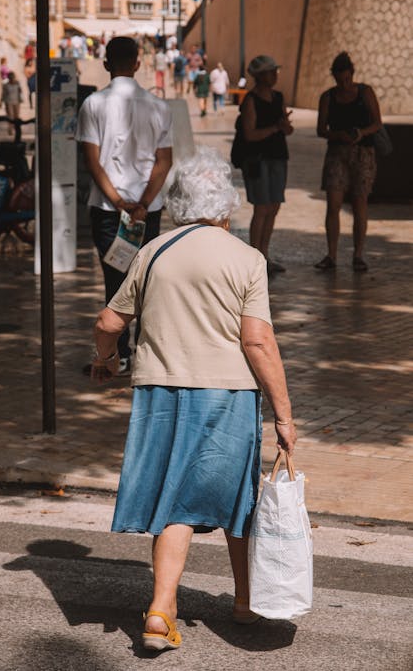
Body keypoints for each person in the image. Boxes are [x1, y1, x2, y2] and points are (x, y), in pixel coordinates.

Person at [92, 146, 296, 652]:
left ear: (181, 202)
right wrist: (285, 417)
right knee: (234, 497)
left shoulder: (154, 251)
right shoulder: (248, 259)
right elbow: (258, 342)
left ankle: (171, 606)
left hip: (159, 393)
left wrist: (107, 360)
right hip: (225, 395)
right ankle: (213, 605)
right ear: (227, 204)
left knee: (174, 496)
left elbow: (108, 323)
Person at [76, 36, 173, 375]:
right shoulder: (159, 107)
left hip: (107, 208)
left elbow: (92, 161)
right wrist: (143, 203)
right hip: (148, 210)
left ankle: (119, 353)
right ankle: (146, 353)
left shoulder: (93, 105)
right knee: (148, 280)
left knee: (115, 280)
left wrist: (119, 201)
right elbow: (164, 161)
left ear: (105, 63)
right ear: (137, 63)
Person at [315, 52, 382, 272]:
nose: (344, 83)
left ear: (352, 74)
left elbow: (377, 123)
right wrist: (338, 135)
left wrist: (361, 133)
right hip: (337, 153)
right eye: (340, 79)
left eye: (347, 79)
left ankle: (358, 254)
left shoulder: (365, 93)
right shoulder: (328, 97)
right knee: (333, 204)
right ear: (334, 76)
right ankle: (331, 254)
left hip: (363, 153)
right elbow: (321, 129)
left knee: (359, 203)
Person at [240, 55, 293, 276]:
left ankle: (264, 254)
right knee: (261, 208)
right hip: (258, 160)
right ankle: (254, 257)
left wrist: (284, 126)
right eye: (271, 72)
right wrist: (274, 128)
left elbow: (287, 129)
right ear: (261, 76)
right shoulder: (251, 100)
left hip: (278, 157)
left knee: (273, 207)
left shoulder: (278, 97)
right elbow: (250, 134)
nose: (275, 75)